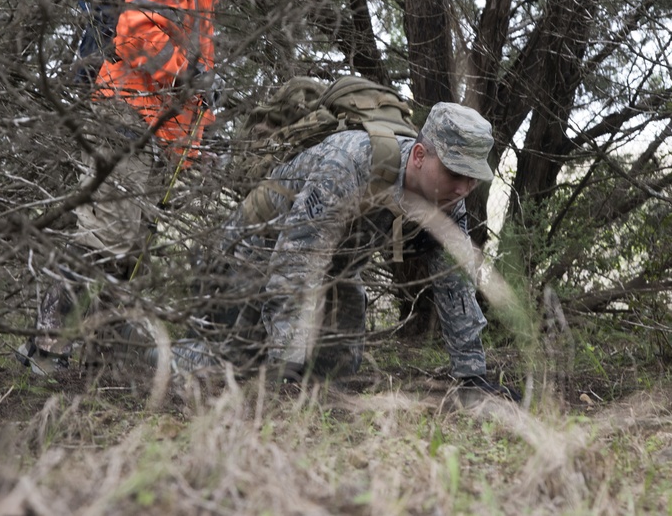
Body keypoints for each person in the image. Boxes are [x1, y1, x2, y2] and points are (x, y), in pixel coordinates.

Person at [17, 0, 248, 373]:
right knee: (103, 240)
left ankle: (93, 353)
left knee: (125, 248)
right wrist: (187, 72)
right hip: (127, 118)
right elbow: (136, 32)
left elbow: (194, 87)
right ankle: (46, 349)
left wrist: (195, 139)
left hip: (152, 132)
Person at [173, 102, 520, 399]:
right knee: (231, 364)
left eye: (473, 177)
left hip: (333, 268)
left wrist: (472, 374)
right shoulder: (349, 164)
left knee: (335, 369)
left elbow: (453, 280)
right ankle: (141, 347)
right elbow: (296, 259)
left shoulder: (447, 198)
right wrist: (288, 363)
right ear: (418, 155)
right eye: (455, 172)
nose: (464, 188)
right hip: (252, 253)